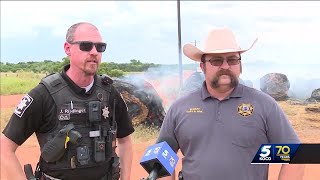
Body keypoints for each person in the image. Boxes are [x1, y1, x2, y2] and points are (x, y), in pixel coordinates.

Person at [158, 27, 305, 180]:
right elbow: (161, 160)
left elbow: (295, 155)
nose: (225, 66)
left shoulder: (265, 105)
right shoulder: (179, 108)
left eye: (232, 59)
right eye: (216, 60)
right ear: (202, 67)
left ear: (240, 65)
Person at [1, 22, 134, 180]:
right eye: (86, 46)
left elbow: (125, 140)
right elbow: (4, 148)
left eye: (100, 47)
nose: (94, 52)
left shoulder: (109, 92)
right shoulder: (44, 94)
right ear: (67, 48)